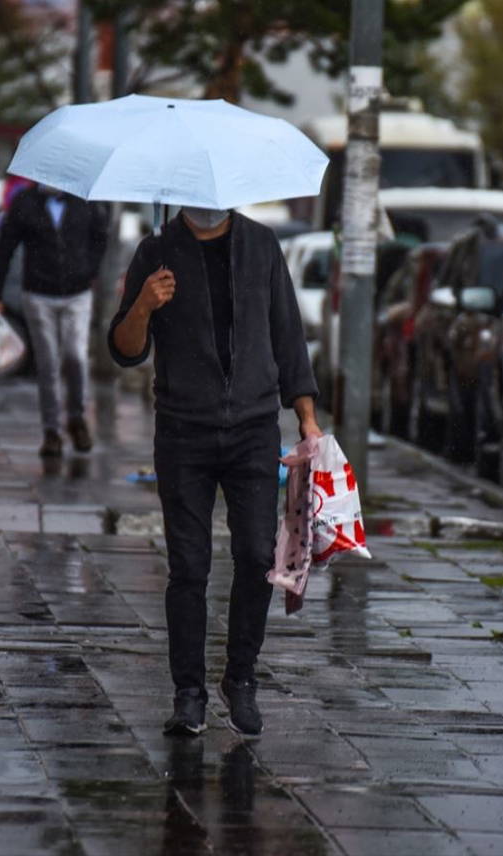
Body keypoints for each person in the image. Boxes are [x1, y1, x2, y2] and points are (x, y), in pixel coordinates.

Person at [109, 206, 321, 737]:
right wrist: (143, 305)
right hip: (183, 430)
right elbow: (124, 349)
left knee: (254, 556)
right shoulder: (155, 252)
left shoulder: (263, 247)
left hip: (252, 429)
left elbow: (288, 336)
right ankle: (189, 693)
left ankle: (241, 678)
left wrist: (308, 422)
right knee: (188, 568)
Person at [0, 184, 109, 457]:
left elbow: (101, 237)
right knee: (48, 363)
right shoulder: (25, 203)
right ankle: (52, 431)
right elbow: (5, 245)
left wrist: (89, 269)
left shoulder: (83, 201)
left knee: (76, 356)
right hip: (38, 293)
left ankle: (77, 419)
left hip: (77, 293)